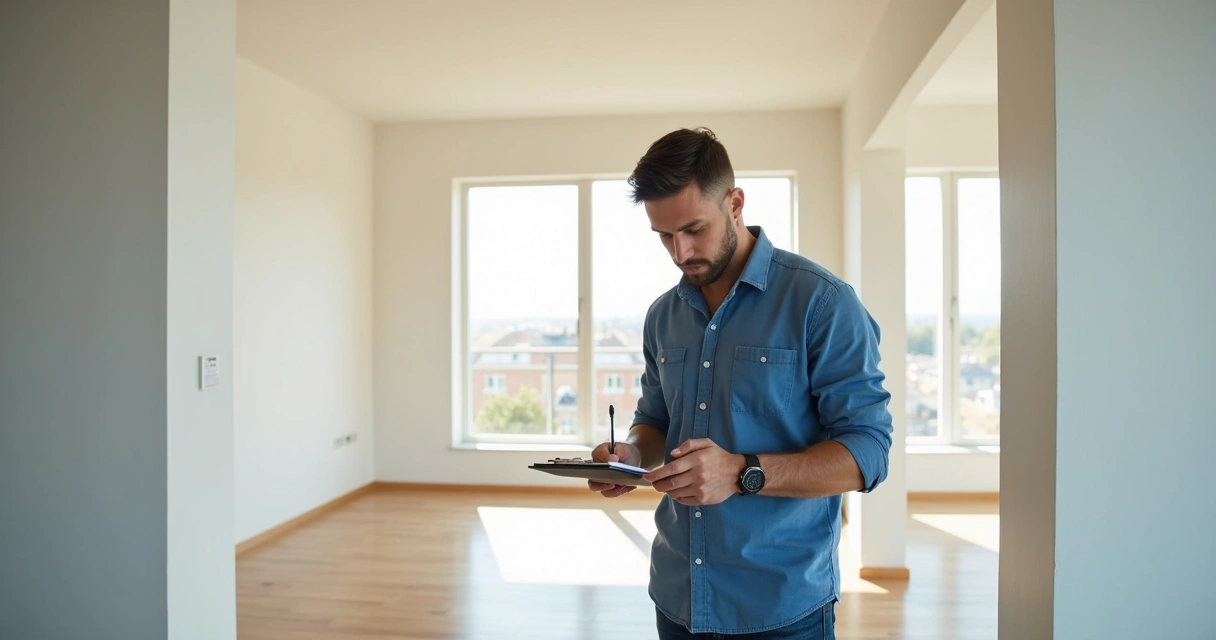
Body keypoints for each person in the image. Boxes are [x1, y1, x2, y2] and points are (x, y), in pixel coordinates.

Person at [589, 127, 893, 639]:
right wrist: (632, 457)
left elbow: (869, 453)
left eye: (693, 229)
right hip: (677, 594)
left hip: (781, 606)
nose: (680, 252)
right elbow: (656, 419)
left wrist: (740, 472)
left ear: (734, 203)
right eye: (664, 236)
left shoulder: (822, 303)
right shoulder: (662, 315)